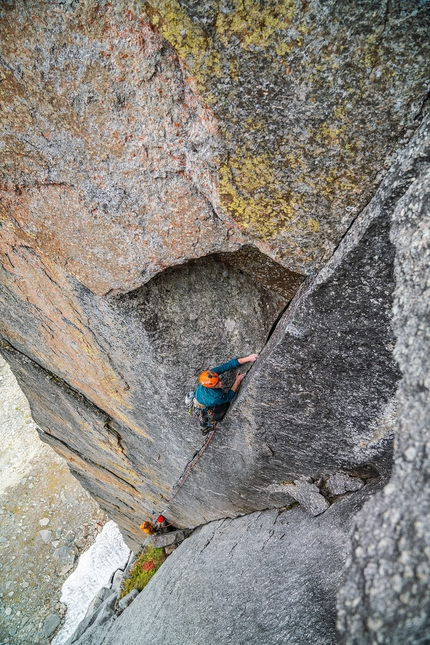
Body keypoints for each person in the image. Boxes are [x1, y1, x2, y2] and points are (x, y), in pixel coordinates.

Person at [194, 354, 258, 433]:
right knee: (225, 406)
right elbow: (229, 396)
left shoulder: (210, 376)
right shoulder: (215, 398)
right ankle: (207, 420)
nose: (221, 383)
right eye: (217, 384)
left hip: (199, 396)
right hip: (206, 403)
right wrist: (237, 381)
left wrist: (248, 358)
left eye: (219, 380)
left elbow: (226, 366)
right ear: (210, 387)